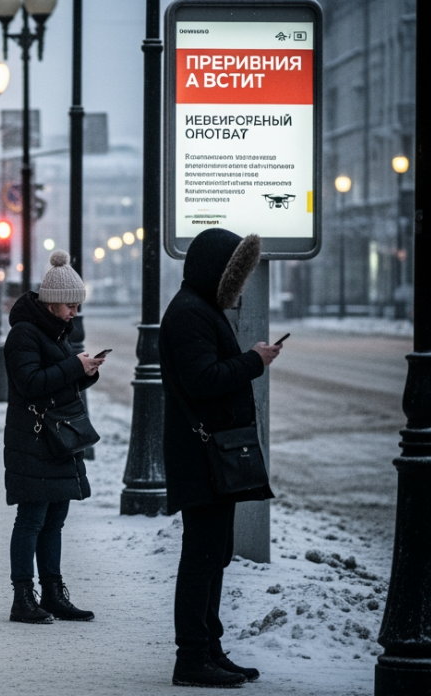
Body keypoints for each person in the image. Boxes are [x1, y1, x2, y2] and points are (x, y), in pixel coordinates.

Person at [159, 228, 278, 688]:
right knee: (202, 558)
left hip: (208, 455)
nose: (241, 285)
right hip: (201, 456)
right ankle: (191, 656)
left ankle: (209, 648)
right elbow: (202, 379)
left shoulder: (199, 308)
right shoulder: (190, 313)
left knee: (214, 555)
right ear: (217, 271)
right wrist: (254, 361)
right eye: (237, 274)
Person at [2, 250, 102, 625]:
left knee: (55, 518)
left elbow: (57, 380)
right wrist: (72, 365)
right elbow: (30, 384)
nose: (74, 312)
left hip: (56, 441)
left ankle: (53, 593)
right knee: (31, 519)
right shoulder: (24, 334)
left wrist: (84, 371)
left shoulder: (54, 332)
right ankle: (23, 597)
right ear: (52, 301)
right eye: (70, 305)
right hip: (34, 439)